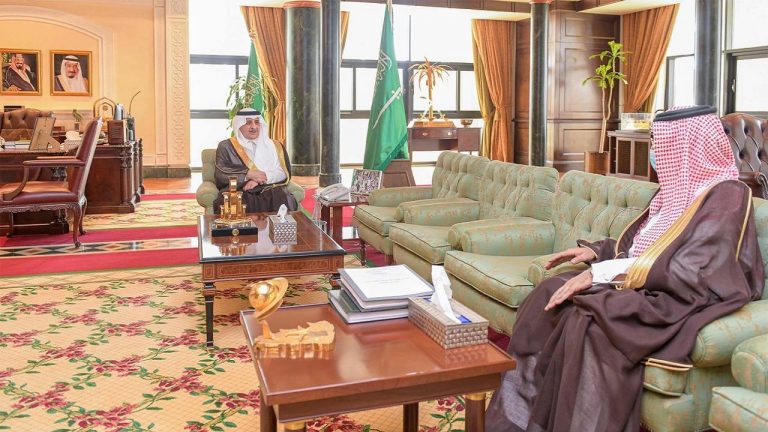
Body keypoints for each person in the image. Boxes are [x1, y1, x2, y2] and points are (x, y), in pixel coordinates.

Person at [485, 105, 765, 432]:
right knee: (547, 294)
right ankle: (519, 420)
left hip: (678, 295)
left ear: (689, 146)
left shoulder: (727, 194)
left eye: (661, 143)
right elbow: (643, 245)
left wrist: (600, 273)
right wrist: (595, 252)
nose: (656, 152)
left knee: (588, 319)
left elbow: (694, 266)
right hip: (644, 281)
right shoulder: (673, 192)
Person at [213, 109, 298, 213]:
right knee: (236, 200)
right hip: (242, 188)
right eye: (248, 122)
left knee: (280, 197)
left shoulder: (275, 146)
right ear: (239, 125)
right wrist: (247, 175)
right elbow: (220, 174)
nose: (254, 127)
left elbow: (283, 172)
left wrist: (259, 179)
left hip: (269, 187)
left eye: (257, 122)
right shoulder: (226, 146)